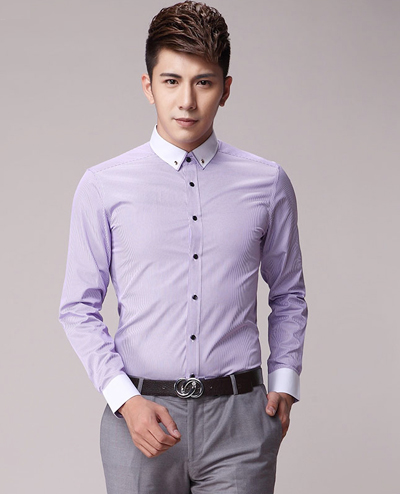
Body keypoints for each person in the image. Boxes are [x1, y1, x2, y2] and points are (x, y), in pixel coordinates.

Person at [59, 1, 308, 493]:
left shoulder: (267, 183)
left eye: (204, 82)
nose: (187, 102)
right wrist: (125, 400)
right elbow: (77, 308)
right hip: (140, 418)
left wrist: (285, 380)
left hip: (240, 420)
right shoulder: (103, 186)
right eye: (171, 81)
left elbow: (288, 293)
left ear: (226, 89)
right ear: (148, 86)